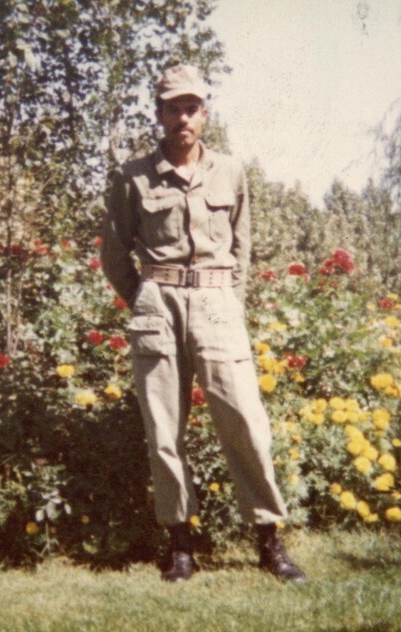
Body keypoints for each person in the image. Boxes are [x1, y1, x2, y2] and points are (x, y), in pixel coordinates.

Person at [100, 64, 306, 584]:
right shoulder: (133, 176)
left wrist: (228, 302)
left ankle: (268, 539)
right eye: (173, 108)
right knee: (164, 429)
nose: (183, 118)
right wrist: (145, 297)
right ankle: (180, 545)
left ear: (205, 114)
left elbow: (242, 246)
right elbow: (114, 254)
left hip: (217, 302)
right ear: (159, 114)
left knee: (245, 421)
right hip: (159, 304)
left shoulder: (230, 172)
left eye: (191, 108)